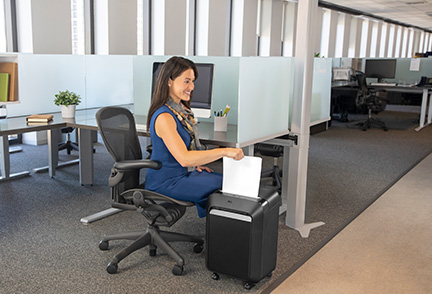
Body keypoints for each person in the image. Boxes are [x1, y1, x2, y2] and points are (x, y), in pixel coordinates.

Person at [145, 56, 244, 217]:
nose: (192, 86)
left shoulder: (180, 111)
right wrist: (225, 151)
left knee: (226, 180)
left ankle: (225, 230)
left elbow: (184, 154)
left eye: (193, 81)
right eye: (186, 81)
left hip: (182, 174)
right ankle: (224, 234)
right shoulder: (165, 117)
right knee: (228, 184)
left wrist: (196, 164)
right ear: (169, 81)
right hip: (166, 182)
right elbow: (184, 158)